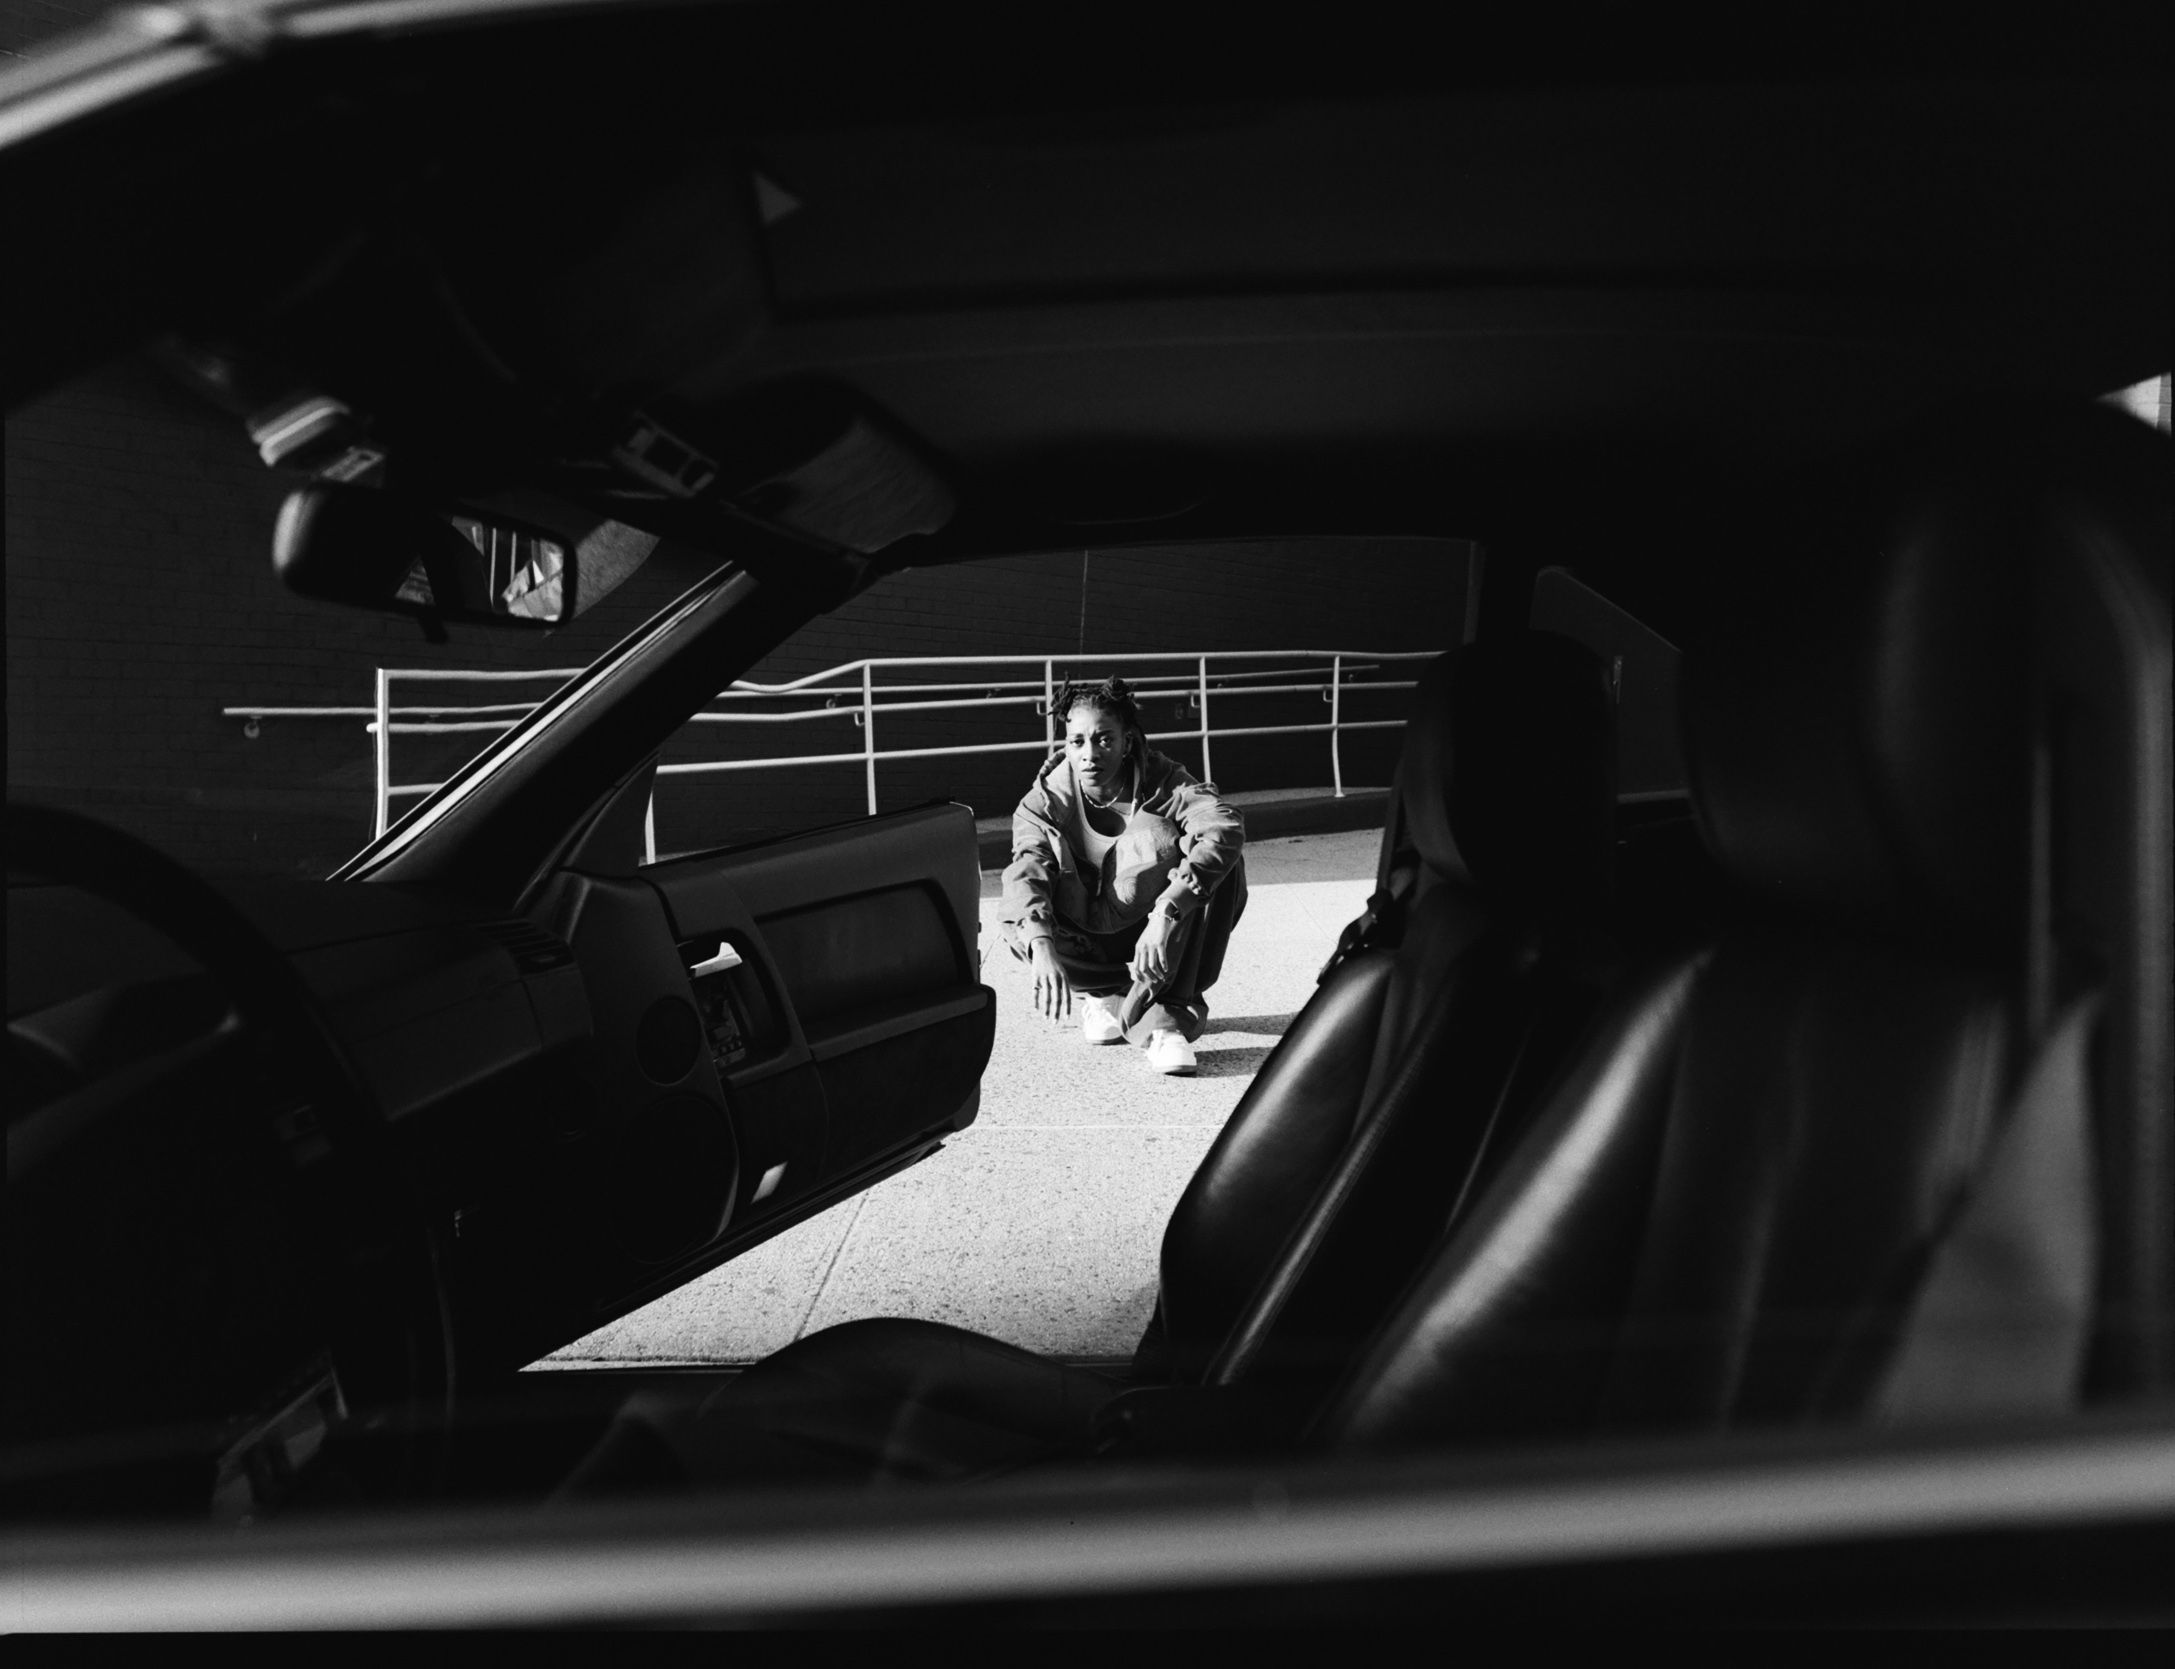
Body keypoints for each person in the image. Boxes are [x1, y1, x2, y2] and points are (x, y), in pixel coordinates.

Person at [998, 676, 1248, 1075]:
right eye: (1077, 741)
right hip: (1084, 937)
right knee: (1023, 917)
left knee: (1222, 862)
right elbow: (1025, 874)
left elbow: (1222, 826)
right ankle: (1104, 994)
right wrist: (1040, 945)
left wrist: (1168, 910)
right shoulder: (1042, 804)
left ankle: (1166, 1017)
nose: (1089, 754)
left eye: (1104, 740)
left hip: (1155, 933)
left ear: (1127, 741)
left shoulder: (1163, 781)